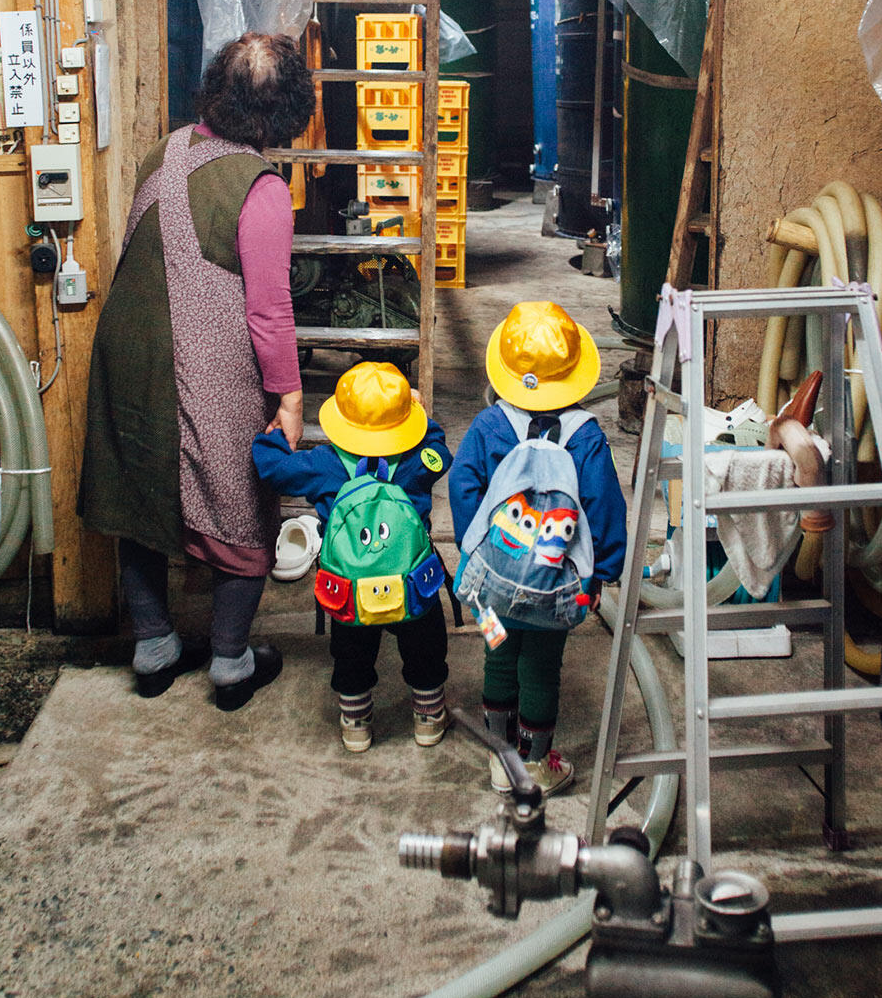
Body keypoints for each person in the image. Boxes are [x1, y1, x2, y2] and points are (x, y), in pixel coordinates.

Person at [79, 32, 315, 710]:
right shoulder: (261, 188)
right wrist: (289, 396)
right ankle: (231, 662)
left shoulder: (166, 148)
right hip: (202, 357)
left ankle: (153, 647)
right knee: (242, 493)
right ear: (285, 113)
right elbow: (269, 310)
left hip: (126, 346)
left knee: (141, 488)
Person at [447, 300, 627, 796]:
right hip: (557, 587)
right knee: (542, 667)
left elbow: (462, 486)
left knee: (498, 655)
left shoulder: (488, 426)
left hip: (488, 590)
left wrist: (476, 551)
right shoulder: (586, 437)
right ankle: (537, 763)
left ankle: (498, 757)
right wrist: (601, 572)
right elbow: (603, 505)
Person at [253, 361, 452, 752]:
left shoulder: (324, 464)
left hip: (350, 588)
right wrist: (422, 418)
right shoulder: (418, 460)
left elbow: (273, 469)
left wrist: (273, 437)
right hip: (411, 582)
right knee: (425, 645)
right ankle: (429, 718)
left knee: (351, 650)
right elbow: (440, 451)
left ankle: (356, 723)